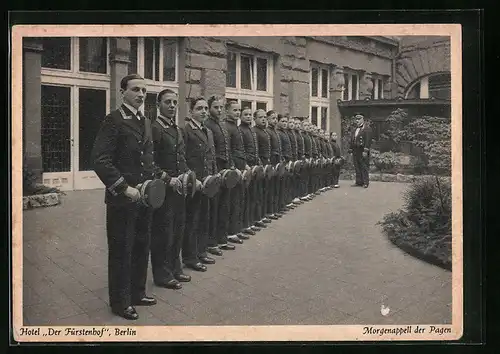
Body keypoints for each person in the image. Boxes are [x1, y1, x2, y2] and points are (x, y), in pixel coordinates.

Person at [92, 74, 159, 320]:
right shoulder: (114, 120)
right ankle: (120, 302)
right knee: (122, 250)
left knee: (142, 245)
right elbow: (100, 160)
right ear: (123, 92)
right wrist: (123, 187)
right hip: (123, 198)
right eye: (135, 90)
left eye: (144, 90)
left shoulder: (146, 121)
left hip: (144, 197)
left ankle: (137, 293)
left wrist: (151, 185)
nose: (141, 94)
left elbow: (148, 158)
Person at [150, 89, 192, 290]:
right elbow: (149, 162)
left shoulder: (177, 129)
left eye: (175, 102)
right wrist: (168, 179)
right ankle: (162, 274)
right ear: (158, 104)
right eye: (168, 102)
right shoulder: (155, 128)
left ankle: (175, 268)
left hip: (179, 189)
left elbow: (181, 157)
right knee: (163, 232)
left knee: (178, 229)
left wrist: (185, 175)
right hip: (163, 189)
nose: (172, 106)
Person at [182, 96, 218, 273]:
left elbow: (211, 156)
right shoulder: (186, 130)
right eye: (199, 108)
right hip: (194, 183)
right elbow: (182, 157)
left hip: (208, 182)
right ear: (191, 112)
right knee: (193, 220)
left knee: (205, 217)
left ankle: (202, 251)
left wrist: (214, 175)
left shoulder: (208, 131)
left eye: (205, 108)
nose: (203, 111)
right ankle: (190, 257)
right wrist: (191, 178)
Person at [204, 95, 236, 254]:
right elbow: (210, 152)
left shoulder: (222, 125)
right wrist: (216, 171)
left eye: (221, 107)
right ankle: (211, 242)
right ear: (210, 108)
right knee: (214, 208)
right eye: (216, 107)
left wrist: (230, 166)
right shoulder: (207, 125)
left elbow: (228, 149)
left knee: (224, 205)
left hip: (226, 169)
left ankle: (223, 239)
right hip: (215, 170)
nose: (219, 110)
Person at [224, 100, 250, 242]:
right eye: (234, 110)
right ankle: (230, 232)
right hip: (233, 169)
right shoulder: (227, 127)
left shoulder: (236, 127)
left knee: (239, 200)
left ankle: (236, 229)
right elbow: (228, 150)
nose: (237, 113)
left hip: (241, 167)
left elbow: (241, 150)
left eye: (238, 110)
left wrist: (244, 165)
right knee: (232, 201)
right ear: (227, 111)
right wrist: (233, 167)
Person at [238, 106, 262, 235]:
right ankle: (244, 225)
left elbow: (255, 149)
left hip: (254, 167)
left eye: (249, 115)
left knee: (253, 196)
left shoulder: (251, 131)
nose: (248, 116)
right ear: (241, 117)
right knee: (245, 198)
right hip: (246, 167)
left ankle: (250, 222)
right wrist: (246, 165)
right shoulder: (240, 130)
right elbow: (241, 150)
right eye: (245, 114)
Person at [254, 109, 278, 221]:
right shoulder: (255, 131)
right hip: (260, 164)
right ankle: (259, 216)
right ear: (255, 119)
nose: (263, 119)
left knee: (266, 190)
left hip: (267, 163)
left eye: (264, 117)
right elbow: (256, 150)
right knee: (259, 191)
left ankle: (265, 213)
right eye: (260, 117)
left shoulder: (265, 132)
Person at [266, 110, 285, 217]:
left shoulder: (276, 132)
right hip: (272, 161)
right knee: (271, 188)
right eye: (272, 118)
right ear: (268, 119)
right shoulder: (268, 132)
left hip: (278, 160)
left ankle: (276, 208)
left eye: (276, 118)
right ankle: (270, 211)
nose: (275, 120)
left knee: (276, 187)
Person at [348, 113, 372, 188]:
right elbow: (352, 140)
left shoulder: (367, 128)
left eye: (359, 119)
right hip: (355, 150)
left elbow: (368, 140)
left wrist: (365, 150)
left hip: (362, 150)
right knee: (357, 166)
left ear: (362, 120)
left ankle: (365, 182)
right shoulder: (354, 129)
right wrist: (351, 150)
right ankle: (359, 182)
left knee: (364, 166)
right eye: (356, 119)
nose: (357, 121)